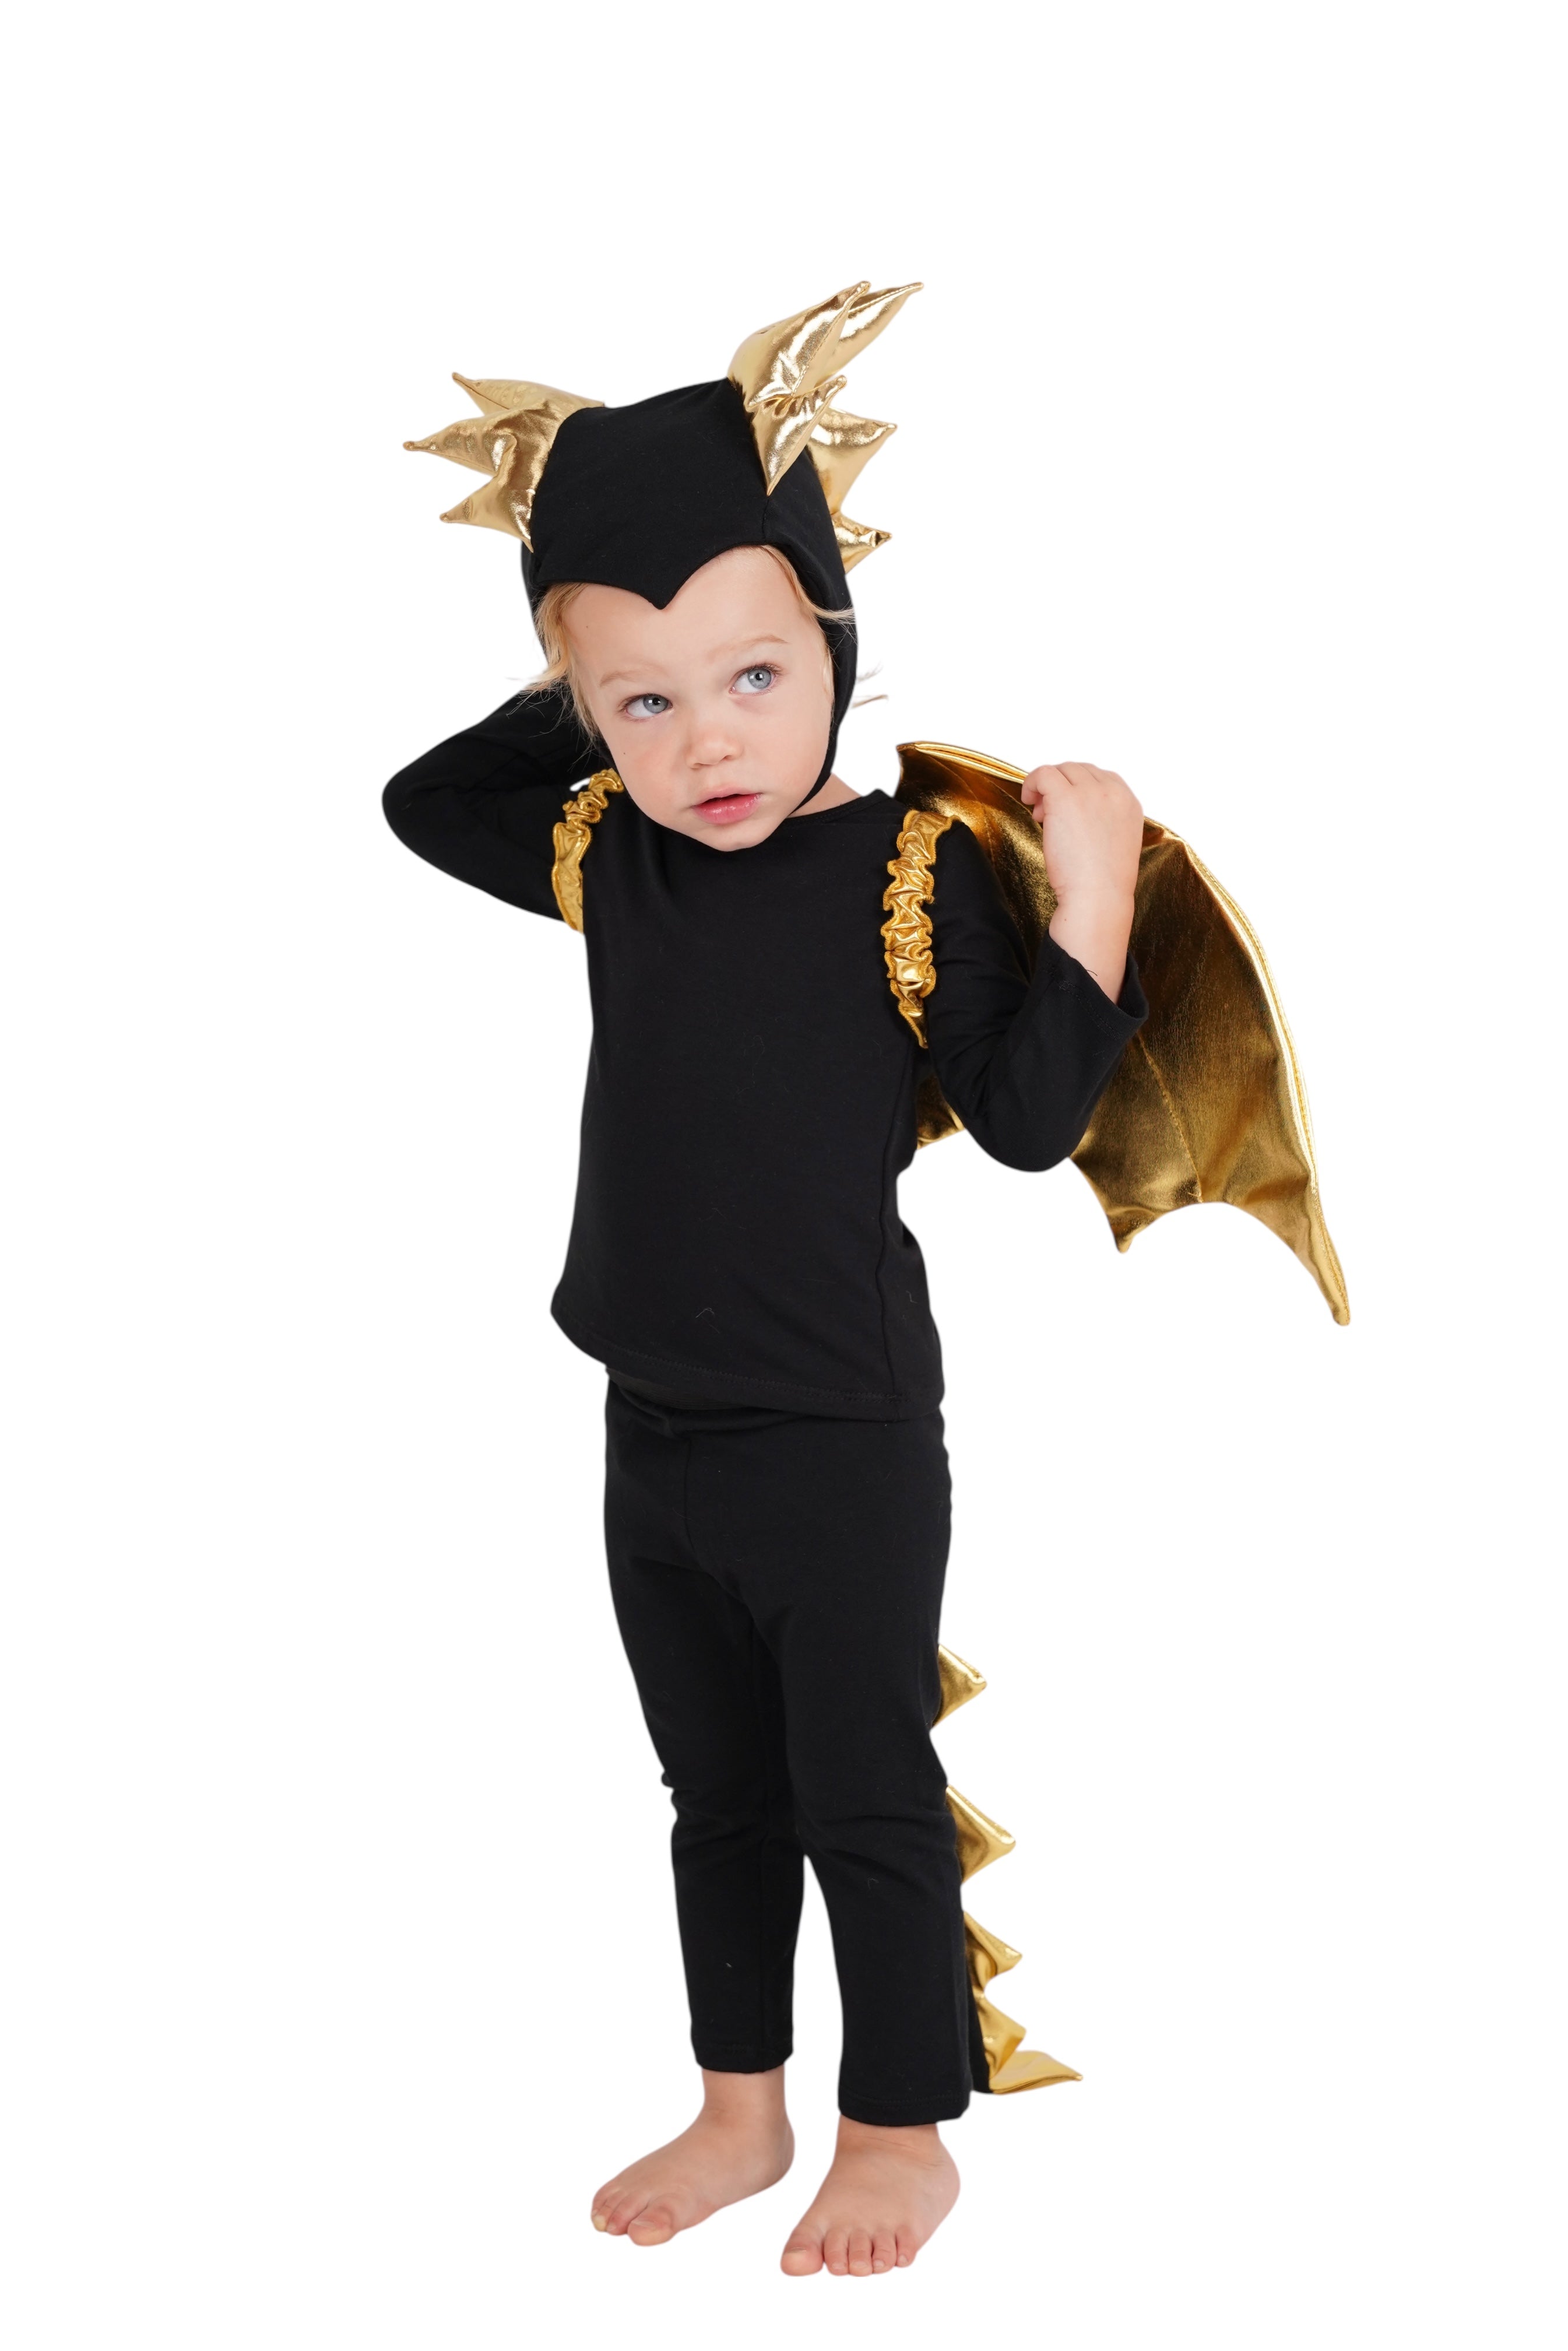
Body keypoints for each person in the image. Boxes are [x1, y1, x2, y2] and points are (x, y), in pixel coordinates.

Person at [384, 280, 1147, 2278]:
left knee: (859, 1789)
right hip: (653, 1421)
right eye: (643, 704)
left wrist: (1090, 889)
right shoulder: (605, 851)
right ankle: (741, 2109)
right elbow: (422, 803)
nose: (704, 739)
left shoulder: (906, 870)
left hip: (836, 1430)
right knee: (713, 1793)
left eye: (751, 674)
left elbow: (1028, 1119)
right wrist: (590, 657)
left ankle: (898, 2131)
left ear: (834, 646)